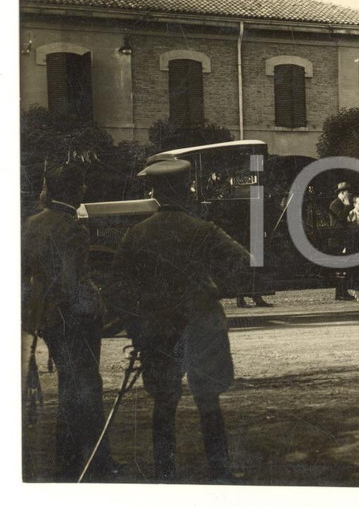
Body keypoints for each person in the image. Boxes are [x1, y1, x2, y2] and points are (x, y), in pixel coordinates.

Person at [112, 159, 250, 482]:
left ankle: (165, 474)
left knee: (163, 404)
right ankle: (220, 472)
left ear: (156, 193)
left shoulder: (136, 234)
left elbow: (117, 288)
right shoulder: (203, 230)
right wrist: (217, 287)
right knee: (208, 402)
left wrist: (137, 325)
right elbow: (243, 261)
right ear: (185, 190)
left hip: (158, 329)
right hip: (202, 325)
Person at [22, 163, 120, 481]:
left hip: (47, 319)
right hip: (74, 319)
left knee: (70, 387)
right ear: (74, 190)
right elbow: (73, 281)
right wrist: (95, 306)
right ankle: (97, 463)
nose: (84, 191)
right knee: (88, 388)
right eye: (81, 186)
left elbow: (24, 275)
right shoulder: (72, 227)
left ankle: (66, 462)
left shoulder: (33, 223)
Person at [326, 182, 354, 301]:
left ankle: (343, 292)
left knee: (344, 267)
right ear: (342, 193)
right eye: (348, 192)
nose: (350, 194)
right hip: (337, 240)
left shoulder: (343, 204)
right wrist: (347, 206)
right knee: (340, 268)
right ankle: (340, 293)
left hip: (342, 239)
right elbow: (341, 219)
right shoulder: (335, 204)